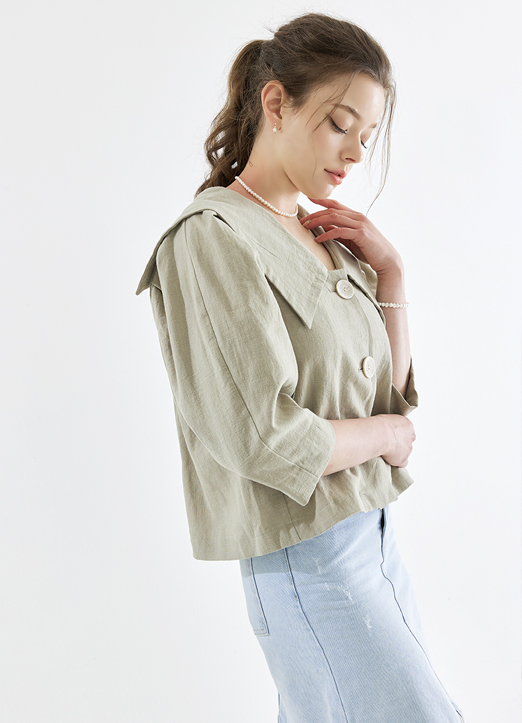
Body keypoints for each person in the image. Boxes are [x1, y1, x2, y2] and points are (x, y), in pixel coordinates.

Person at [136, 11, 465, 723]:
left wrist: (392, 275)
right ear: (277, 102)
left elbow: (386, 399)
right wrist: (386, 435)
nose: (353, 153)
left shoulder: (328, 235)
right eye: (340, 124)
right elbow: (265, 439)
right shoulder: (213, 237)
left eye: (366, 136)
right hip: (310, 556)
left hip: (373, 538)